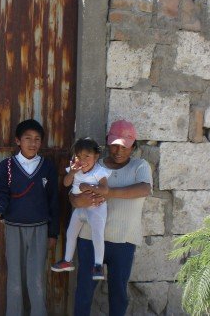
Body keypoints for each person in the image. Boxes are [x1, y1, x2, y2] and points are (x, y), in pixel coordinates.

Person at [71, 120, 152, 316]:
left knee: (118, 294)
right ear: (107, 143)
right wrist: (78, 200)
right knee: (84, 292)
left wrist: (107, 192)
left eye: (124, 146)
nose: (118, 151)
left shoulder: (139, 166)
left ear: (133, 146)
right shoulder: (94, 165)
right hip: (89, 239)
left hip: (122, 240)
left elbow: (144, 189)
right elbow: (73, 197)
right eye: (114, 145)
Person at [0, 119, 59, 316]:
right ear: (18, 141)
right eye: (27, 138)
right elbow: (0, 192)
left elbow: (53, 201)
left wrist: (53, 233)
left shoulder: (47, 167)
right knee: (15, 280)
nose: (32, 143)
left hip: (40, 229)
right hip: (13, 228)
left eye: (37, 139)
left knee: (36, 280)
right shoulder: (7, 166)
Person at [51, 138, 111, 281]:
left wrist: (89, 187)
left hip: (96, 208)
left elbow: (105, 189)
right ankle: (67, 260)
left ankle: (98, 265)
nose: (82, 160)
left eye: (87, 156)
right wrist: (71, 173)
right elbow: (66, 184)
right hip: (80, 208)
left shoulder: (99, 171)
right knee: (71, 232)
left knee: (97, 234)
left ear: (96, 157)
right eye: (79, 156)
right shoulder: (75, 169)